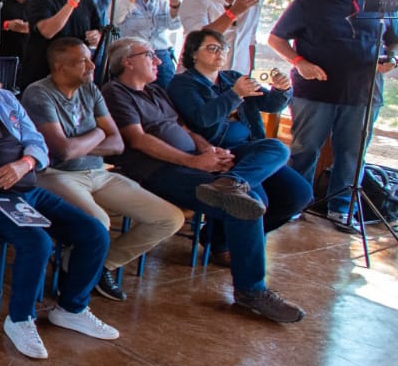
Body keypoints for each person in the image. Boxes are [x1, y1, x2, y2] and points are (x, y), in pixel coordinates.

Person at [102, 38, 304, 323]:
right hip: (160, 170)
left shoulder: (155, 91)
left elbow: (182, 127)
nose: (158, 61)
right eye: (150, 55)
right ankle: (251, 291)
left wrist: (207, 149)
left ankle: (232, 181)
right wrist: (195, 161)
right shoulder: (116, 92)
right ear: (128, 61)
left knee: (275, 148)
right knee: (246, 205)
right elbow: (139, 140)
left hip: (196, 160)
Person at [0, 49, 118, 359]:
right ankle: (20, 319)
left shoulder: (7, 100)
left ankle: (72, 308)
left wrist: (24, 164)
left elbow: (36, 141)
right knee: (37, 242)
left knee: (93, 232)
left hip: (28, 187)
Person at [21, 38, 184, 301]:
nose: (91, 65)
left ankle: (98, 265)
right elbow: (62, 152)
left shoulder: (91, 90)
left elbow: (117, 143)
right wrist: (98, 132)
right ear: (60, 67)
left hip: (99, 173)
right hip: (55, 174)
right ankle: (77, 276)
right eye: (82, 61)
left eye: (89, 58)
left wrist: (83, 142)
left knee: (169, 218)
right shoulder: (39, 93)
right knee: (99, 222)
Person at [267, 0, 398, 230]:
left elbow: (395, 41)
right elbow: (276, 38)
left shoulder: (380, 3)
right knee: (305, 150)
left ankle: (341, 209)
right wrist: (299, 62)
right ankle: (295, 202)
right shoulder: (308, 4)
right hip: (315, 92)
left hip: (363, 94)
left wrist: (392, 59)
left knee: (351, 153)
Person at [170, 28, 311, 247]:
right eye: (212, 48)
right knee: (261, 192)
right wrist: (235, 95)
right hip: (218, 151)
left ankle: (224, 226)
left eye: (223, 48)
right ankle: (225, 239)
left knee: (299, 194)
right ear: (194, 53)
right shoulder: (182, 83)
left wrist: (281, 90)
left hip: (249, 148)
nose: (220, 53)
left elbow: (270, 105)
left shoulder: (232, 77)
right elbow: (201, 119)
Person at [18, 0, 104, 90]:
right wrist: (71, 2)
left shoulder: (87, 0)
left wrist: (96, 36)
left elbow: (98, 29)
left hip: (78, 77)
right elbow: (47, 31)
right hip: (44, 77)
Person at [177, 0, 260, 75]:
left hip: (238, 74)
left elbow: (250, 39)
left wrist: (250, 71)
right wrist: (234, 12)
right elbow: (199, 38)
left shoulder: (250, 1)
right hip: (200, 75)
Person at [112, 0, 182, 88]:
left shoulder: (160, 3)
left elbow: (174, 25)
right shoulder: (122, 0)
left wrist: (174, 2)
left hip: (161, 55)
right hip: (135, 57)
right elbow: (115, 18)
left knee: (166, 96)